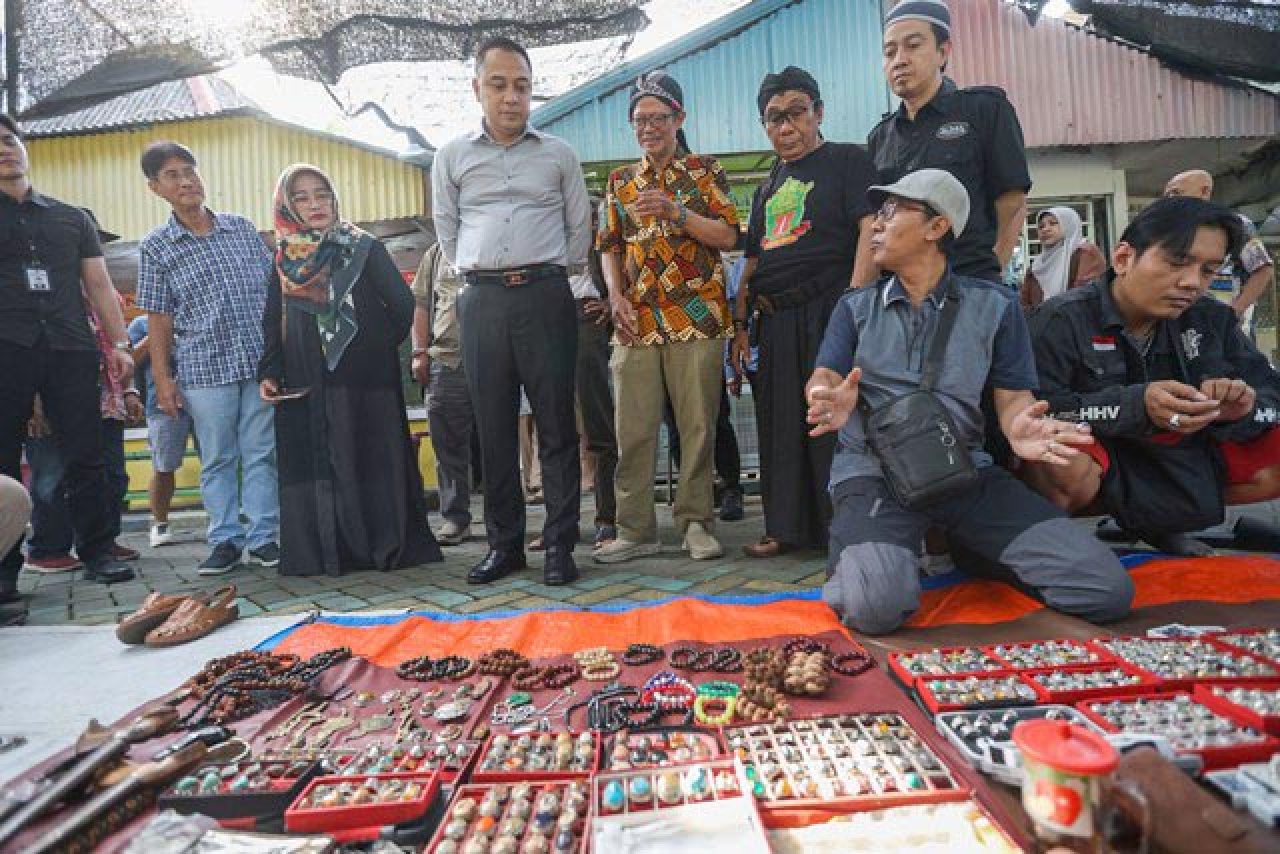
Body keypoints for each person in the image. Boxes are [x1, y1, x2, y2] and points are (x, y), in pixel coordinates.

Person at [808, 168, 1132, 635]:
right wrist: (824, 396)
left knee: (1104, 590)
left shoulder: (996, 306)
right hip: (874, 474)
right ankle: (871, 556)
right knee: (874, 608)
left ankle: (972, 549)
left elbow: (1014, 400)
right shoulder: (854, 307)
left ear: (937, 227)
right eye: (878, 213)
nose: (875, 224)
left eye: (892, 211)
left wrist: (1021, 426)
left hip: (964, 470)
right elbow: (825, 375)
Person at [1023, 196, 1280, 557]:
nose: (1193, 282)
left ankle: (1165, 521)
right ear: (1124, 258)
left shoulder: (1210, 318)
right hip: (1101, 455)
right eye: (1177, 262)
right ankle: (1050, 548)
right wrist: (1136, 405)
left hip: (1183, 454)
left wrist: (1243, 410)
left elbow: (1272, 397)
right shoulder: (1060, 320)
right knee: (1057, 453)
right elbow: (1033, 412)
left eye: (1208, 270)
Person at [432, 36, 591, 586]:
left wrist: (544, 273)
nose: (510, 97)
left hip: (547, 294)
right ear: (478, 89)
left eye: (521, 86)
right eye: (498, 85)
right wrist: (483, 274)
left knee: (555, 425)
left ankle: (559, 545)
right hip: (481, 300)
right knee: (494, 427)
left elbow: (579, 234)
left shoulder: (558, 154)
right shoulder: (451, 156)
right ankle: (504, 546)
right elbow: (447, 233)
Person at [258, 164, 441, 576]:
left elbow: (402, 305)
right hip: (307, 377)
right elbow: (273, 319)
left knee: (370, 454)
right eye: (301, 197)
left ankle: (382, 545)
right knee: (323, 458)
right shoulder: (286, 257)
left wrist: (371, 346)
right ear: (287, 206)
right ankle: (330, 552)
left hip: (366, 380)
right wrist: (269, 370)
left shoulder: (363, 246)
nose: (314, 204)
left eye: (321, 194)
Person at [730, 66, 879, 557]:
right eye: (774, 118)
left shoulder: (848, 161)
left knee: (828, 421)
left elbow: (868, 228)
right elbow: (753, 259)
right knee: (779, 424)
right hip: (775, 319)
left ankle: (840, 526)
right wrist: (741, 325)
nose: (785, 127)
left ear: (818, 113)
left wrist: (856, 303)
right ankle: (786, 527)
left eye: (796, 114)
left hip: (830, 310)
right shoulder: (768, 184)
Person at [595, 70, 740, 565]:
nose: (649, 128)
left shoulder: (705, 171)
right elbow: (608, 246)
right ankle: (634, 528)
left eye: (658, 118)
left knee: (697, 425)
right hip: (635, 321)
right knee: (631, 428)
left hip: (696, 315)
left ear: (679, 119)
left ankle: (696, 521)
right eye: (640, 120)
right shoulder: (619, 181)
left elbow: (728, 237)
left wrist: (678, 214)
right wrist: (615, 295)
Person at [0, 114, 136, 598]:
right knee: (3, 465)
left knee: (87, 454)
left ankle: (98, 551)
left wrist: (120, 348)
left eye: (10, 140)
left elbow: (98, 285)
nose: (5, 150)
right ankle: (5, 572)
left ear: (24, 147)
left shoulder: (71, 217)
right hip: (7, 350)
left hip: (70, 347)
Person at [137, 141, 280, 576]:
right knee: (219, 458)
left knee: (262, 454)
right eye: (172, 175)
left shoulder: (241, 229)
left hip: (257, 365)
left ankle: (264, 538)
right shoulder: (157, 246)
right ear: (155, 188)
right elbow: (158, 319)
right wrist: (163, 380)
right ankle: (224, 540)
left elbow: (273, 294)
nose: (186, 180)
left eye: (190, 170)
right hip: (204, 370)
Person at [866, 0, 1031, 284]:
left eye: (913, 45)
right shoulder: (880, 136)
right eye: (889, 52)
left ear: (943, 52)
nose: (899, 60)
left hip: (969, 281)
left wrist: (992, 266)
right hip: (901, 291)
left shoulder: (985, 110)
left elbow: (1012, 198)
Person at [24, 288, 142, 571]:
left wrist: (130, 390)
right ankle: (47, 548)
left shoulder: (107, 293)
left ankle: (103, 539)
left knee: (111, 474)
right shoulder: (37, 289)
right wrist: (33, 403)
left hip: (107, 400)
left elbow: (118, 344)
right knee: (50, 477)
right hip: (54, 399)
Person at [410, 240, 474, 547]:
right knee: (446, 442)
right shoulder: (435, 254)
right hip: (446, 358)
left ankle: (506, 520)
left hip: (493, 356)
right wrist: (419, 352)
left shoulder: (493, 239)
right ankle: (455, 518)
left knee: (498, 441)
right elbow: (421, 303)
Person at [1164, 169, 1275, 327]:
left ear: (1204, 191)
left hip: (1225, 325)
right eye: (1167, 195)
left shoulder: (1235, 225)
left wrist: (1236, 310)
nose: (1170, 199)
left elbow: (1263, 269)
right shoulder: (1169, 230)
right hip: (1185, 322)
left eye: (1176, 193)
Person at [573, 202, 619, 547]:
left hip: (589, 324)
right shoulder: (546, 245)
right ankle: (562, 523)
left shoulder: (605, 248)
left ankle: (607, 516)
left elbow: (631, 285)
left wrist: (610, 304)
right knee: (554, 429)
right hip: (548, 323)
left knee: (598, 423)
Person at [127, 312, 196, 547]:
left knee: (216, 461)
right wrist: (157, 332)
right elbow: (130, 361)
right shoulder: (141, 323)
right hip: (161, 403)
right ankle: (159, 523)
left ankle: (222, 522)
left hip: (204, 395)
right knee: (164, 466)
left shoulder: (199, 315)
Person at [1020, 207, 1108, 310]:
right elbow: (1025, 302)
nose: (1045, 229)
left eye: (1053, 223)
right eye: (1041, 226)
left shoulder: (1085, 253)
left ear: (1069, 225)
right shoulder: (1037, 265)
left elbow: (1084, 296)